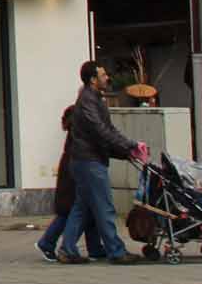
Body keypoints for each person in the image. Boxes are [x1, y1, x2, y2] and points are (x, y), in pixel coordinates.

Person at [58, 60, 149, 266]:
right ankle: (116, 251)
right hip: (90, 161)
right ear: (93, 80)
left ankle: (67, 249)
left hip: (85, 159)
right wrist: (129, 146)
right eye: (103, 75)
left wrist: (128, 148)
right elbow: (102, 131)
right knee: (104, 207)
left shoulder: (94, 99)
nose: (107, 78)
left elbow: (108, 130)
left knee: (81, 207)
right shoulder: (89, 101)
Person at [36, 104, 106, 263]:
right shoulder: (84, 117)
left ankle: (94, 248)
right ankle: (47, 242)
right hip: (77, 166)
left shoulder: (77, 115)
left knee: (85, 208)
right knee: (73, 209)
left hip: (74, 165)